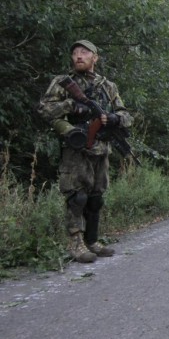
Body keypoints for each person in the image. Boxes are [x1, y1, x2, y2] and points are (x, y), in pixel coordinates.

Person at [37, 39, 133, 263]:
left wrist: (114, 118)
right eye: (75, 53)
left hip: (101, 148)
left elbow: (127, 115)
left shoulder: (108, 86)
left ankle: (92, 241)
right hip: (76, 147)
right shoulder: (63, 83)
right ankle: (76, 244)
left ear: (95, 58)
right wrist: (70, 105)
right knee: (76, 196)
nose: (78, 56)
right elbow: (44, 110)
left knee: (96, 198)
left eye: (84, 52)